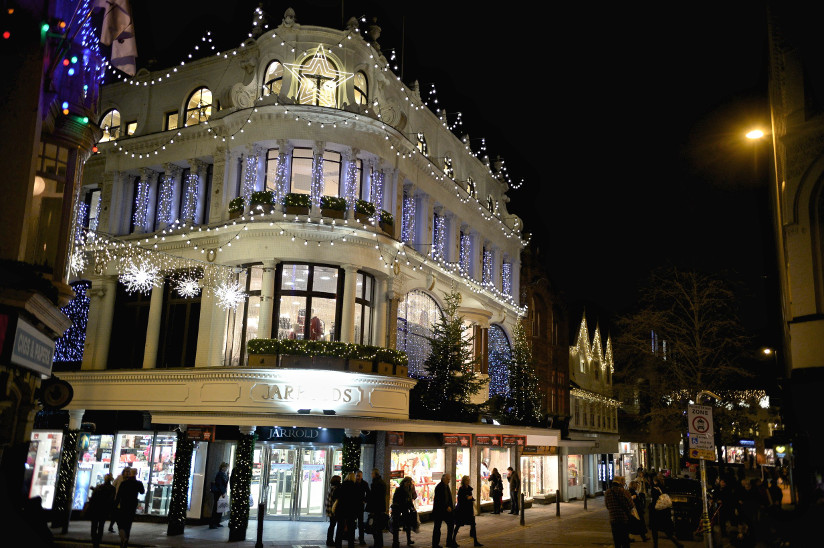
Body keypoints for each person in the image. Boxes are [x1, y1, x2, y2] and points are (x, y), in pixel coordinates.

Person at [113, 467, 145, 548]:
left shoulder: (124, 483)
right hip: (132, 506)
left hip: (123, 505)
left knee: (122, 522)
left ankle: (122, 534)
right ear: (136, 474)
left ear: (130, 473)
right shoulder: (138, 483)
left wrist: (115, 505)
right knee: (128, 524)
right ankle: (125, 541)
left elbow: (118, 496)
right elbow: (142, 492)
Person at [649, 477, 683, 548]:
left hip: (656, 512)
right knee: (667, 530)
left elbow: (654, 499)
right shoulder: (664, 487)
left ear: (655, 481)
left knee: (654, 529)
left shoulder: (654, 488)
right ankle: (677, 543)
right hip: (664, 511)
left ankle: (655, 545)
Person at [453, 475, 482, 547]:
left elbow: (470, 497)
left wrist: (471, 498)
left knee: (473, 525)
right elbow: (460, 499)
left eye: (469, 480)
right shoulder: (461, 489)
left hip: (469, 510)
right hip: (462, 510)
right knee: (458, 525)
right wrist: (467, 498)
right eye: (467, 480)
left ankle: (475, 541)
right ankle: (453, 540)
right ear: (464, 481)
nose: (468, 481)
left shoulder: (469, 488)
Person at [604, 477, 634, 548]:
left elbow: (607, 505)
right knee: (625, 540)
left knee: (616, 540)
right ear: (620, 482)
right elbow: (631, 505)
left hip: (613, 519)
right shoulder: (624, 492)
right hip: (624, 518)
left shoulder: (607, 492)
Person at [88, 474, 115, 548]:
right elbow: (111, 500)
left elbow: (93, 498)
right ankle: (98, 540)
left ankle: (94, 540)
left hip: (96, 509)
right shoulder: (112, 489)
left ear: (104, 479)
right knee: (101, 526)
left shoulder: (99, 487)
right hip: (104, 510)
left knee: (94, 525)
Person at [391, 476, 416, 548]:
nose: (408, 484)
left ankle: (409, 540)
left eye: (410, 482)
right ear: (404, 482)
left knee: (408, 524)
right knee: (396, 526)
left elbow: (410, 499)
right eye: (407, 482)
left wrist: (412, 507)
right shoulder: (399, 489)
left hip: (405, 508)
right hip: (398, 508)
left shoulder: (409, 489)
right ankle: (395, 542)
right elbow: (395, 500)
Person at [335, 472, 359, 548]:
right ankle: (351, 545)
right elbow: (357, 500)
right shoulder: (355, 487)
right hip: (351, 511)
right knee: (351, 529)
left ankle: (338, 544)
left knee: (340, 528)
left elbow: (335, 495)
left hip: (341, 510)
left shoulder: (342, 486)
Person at [432, 473, 455, 548]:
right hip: (439, 511)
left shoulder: (446, 486)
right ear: (444, 479)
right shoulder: (439, 487)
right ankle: (435, 544)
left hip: (446, 511)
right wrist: (446, 507)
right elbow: (439, 500)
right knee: (437, 527)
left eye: (449, 479)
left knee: (451, 524)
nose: (449, 481)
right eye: (448, 479)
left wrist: (451, 507)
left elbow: (449, 498)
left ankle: (449, 542)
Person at [366, 468, 387, 548]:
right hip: (381, 507)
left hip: (376, 508)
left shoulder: (376, 483)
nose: (371, 475)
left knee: (375, 527)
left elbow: (373, 497)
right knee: (378, 527)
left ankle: (377, 544)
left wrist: (371, 509)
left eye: (372, 474)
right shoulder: (382, 482)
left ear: (374, 474)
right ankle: (379, 544)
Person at [108, 466, 130, 533]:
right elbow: (113, 485)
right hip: (117, 499)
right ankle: (116, 528)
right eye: (126, 471)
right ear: (124, 472)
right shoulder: (119, 477)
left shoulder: (129, 480)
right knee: (116, 514)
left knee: (118, 515)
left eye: (129, 472)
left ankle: (116, 528)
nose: (128, 473)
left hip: (124, 500)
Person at [209, 462, 229, 529]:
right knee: (217, 507)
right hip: (219, 493)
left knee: (219, 507)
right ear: (223, 467)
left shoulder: (223, 474)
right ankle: (213, 523)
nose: (226, 468)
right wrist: (223, 492)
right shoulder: (220, 474)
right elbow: (219, 484)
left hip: (221, 492)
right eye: (226, 467)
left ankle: (217, 522)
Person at [354, 470, 371, 545]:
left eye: (359, 476)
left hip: (360, 506)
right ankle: (352, 538)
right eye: (357, 475)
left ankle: (361, 539)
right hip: (353, 506)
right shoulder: (353, 483)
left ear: (362, 476)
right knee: (352, 523)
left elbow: (368, 494)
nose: (358, 477)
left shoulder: (364, 483)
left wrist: (365, 500)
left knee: (360, 524)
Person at [326, 475, 342, 546]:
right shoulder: (335, 488)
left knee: (332, 525)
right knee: (333, 525)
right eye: (339, 480)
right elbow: (335, 500)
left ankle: (329, 540)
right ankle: (330, 540)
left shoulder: (331, 487)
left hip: (329, 509)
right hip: (333, 509)